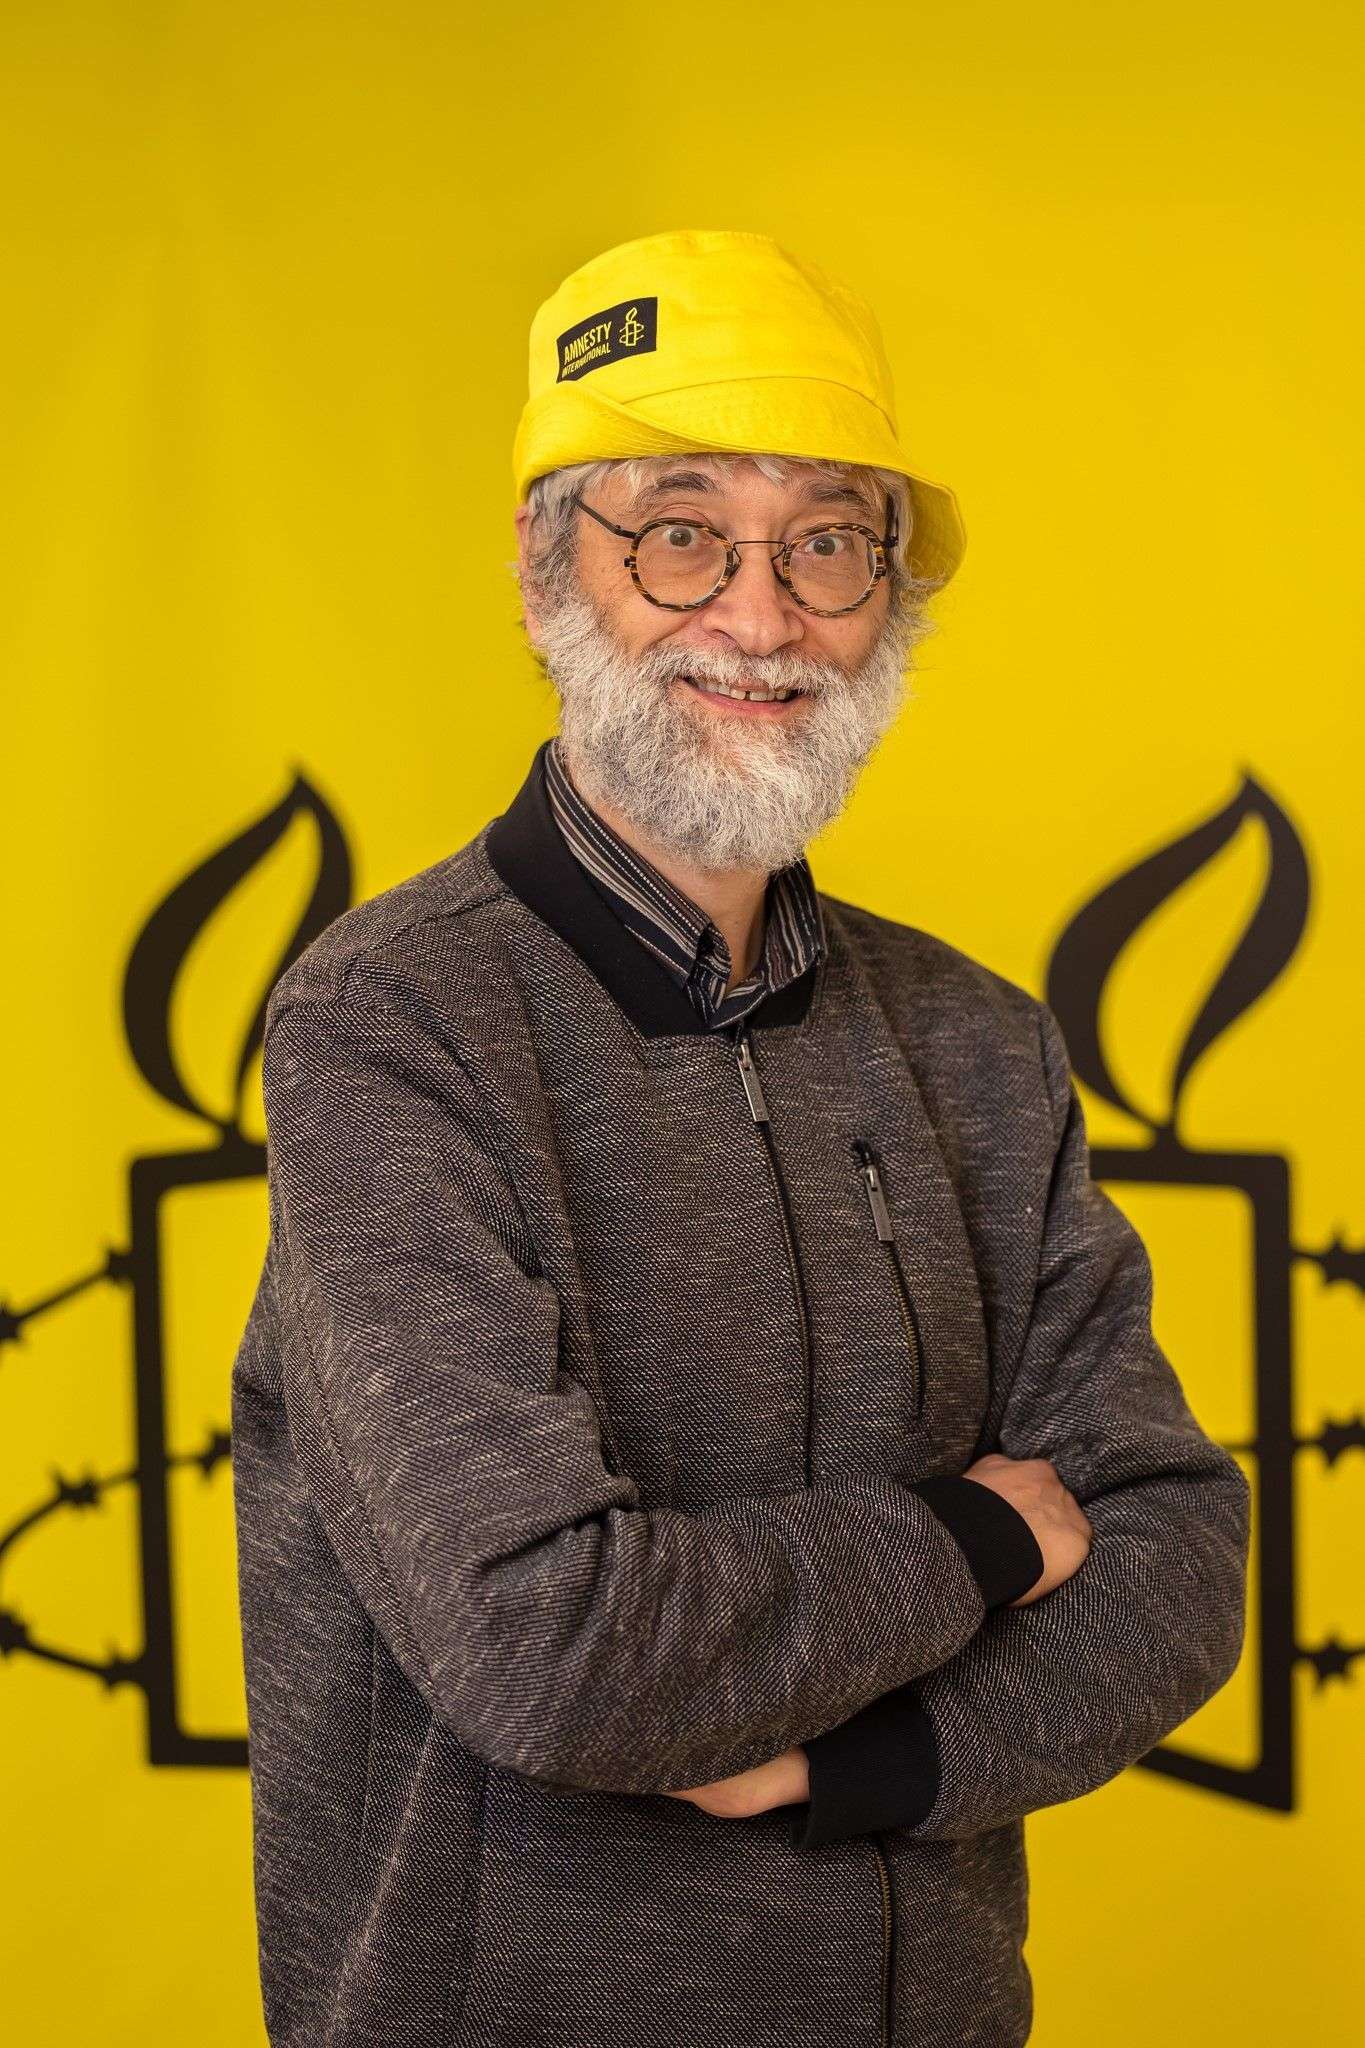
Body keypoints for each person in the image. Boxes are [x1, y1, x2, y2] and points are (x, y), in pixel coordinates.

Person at [231, 228, 1250, 2048]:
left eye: (827, 542)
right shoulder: (389, 1027)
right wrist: (976, 1538)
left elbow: (1174, 1555)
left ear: (888, 595)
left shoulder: (973, 1041)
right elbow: (547, 1651)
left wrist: (855, 1764)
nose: (761, 620)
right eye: (680, 534)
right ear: (544, 570)